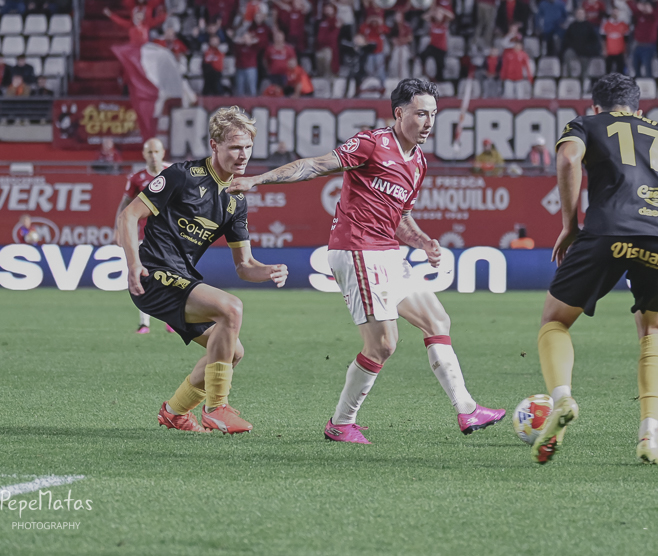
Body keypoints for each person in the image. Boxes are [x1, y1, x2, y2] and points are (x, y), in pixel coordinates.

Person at [227, 79, 505, 444]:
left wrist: (422, 241)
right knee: (383, 344)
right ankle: (341, 423)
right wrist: (258, 180)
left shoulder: (418, 163)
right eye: (421, 113)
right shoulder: (372, 143)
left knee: (437, 319)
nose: (428, 122)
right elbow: (316, 165)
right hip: (357, 249)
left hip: (387, 252)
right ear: (399, 113)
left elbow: (400, 217)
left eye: (434, 114)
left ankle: (466, 409)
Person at [530, 73, 658, 467]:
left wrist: (569, 225)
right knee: (653, 332)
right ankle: (650, 435)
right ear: (639, 109)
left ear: (595, 106)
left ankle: (562, 399)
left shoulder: (588, 123)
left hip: (606, 232)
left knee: (554, 321)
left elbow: (568, 158)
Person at [117, 107, 288, 434]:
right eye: (235, 147)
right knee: (231, 309)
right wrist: (133, 264)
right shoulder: (182, 175)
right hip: (154, 273)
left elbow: (245, 266)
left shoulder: (236, 200)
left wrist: (267, 271)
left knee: (231, 351)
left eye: (248, 147)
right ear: (214, 145)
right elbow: (128, 215)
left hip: (181, 279)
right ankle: (216, 407)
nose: (243, 155)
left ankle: (174, 412)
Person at [113, 138, 175, 334]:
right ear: (144, 155)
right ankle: (144, 323)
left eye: (156, 152)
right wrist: (118, 228)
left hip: (170, 236)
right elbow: (125, 204)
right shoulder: (136, 178)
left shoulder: (174, 172)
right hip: (143, 235)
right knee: (143, 278)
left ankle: (171, 320)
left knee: (171, 277)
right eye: (150, 152)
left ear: (163, 153)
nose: (153, 156)